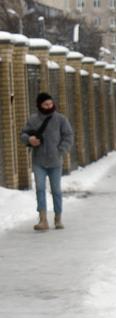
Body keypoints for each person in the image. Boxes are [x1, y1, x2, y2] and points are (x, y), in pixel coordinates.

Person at [20, 92, 74, 231]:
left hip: (55, 161)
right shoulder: (33, 119)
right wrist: (29, 139)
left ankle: (58, 217)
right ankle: (43, 219)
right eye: (46, 104)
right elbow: (24, 134)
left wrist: (60, 150)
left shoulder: (61, 119)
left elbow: (68, 136)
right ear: (39, 105)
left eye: (50, 103)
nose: (49, 106)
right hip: (38, 161)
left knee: (56, 190)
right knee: (40, 189)